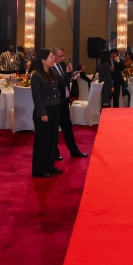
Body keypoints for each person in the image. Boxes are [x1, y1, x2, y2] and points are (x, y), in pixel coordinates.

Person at [50, 47, 88, 159]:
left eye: (63, 56)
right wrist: (67, 75)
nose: (62, 58)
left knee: (67, 127)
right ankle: (54, 153)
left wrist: (72, 76)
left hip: (65, 101)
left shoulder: (62, 65)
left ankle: (74, 150)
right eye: (60, 56)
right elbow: (61, 82)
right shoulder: (51, 68)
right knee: (54, 129)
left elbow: (66, 80)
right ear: (54, 55)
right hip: (56, 102)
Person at [30, 49, 63, 178]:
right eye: (51, 57)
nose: (53, 60)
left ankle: (49, 165)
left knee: (53, 140)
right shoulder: (37, 76)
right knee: (43, 141)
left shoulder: (53, 72)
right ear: (43, 60)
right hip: (44, 111)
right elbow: (37, 97)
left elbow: (63, 83)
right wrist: (42, 113)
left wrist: (69, 74)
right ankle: (39, 169)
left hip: (54, 109)